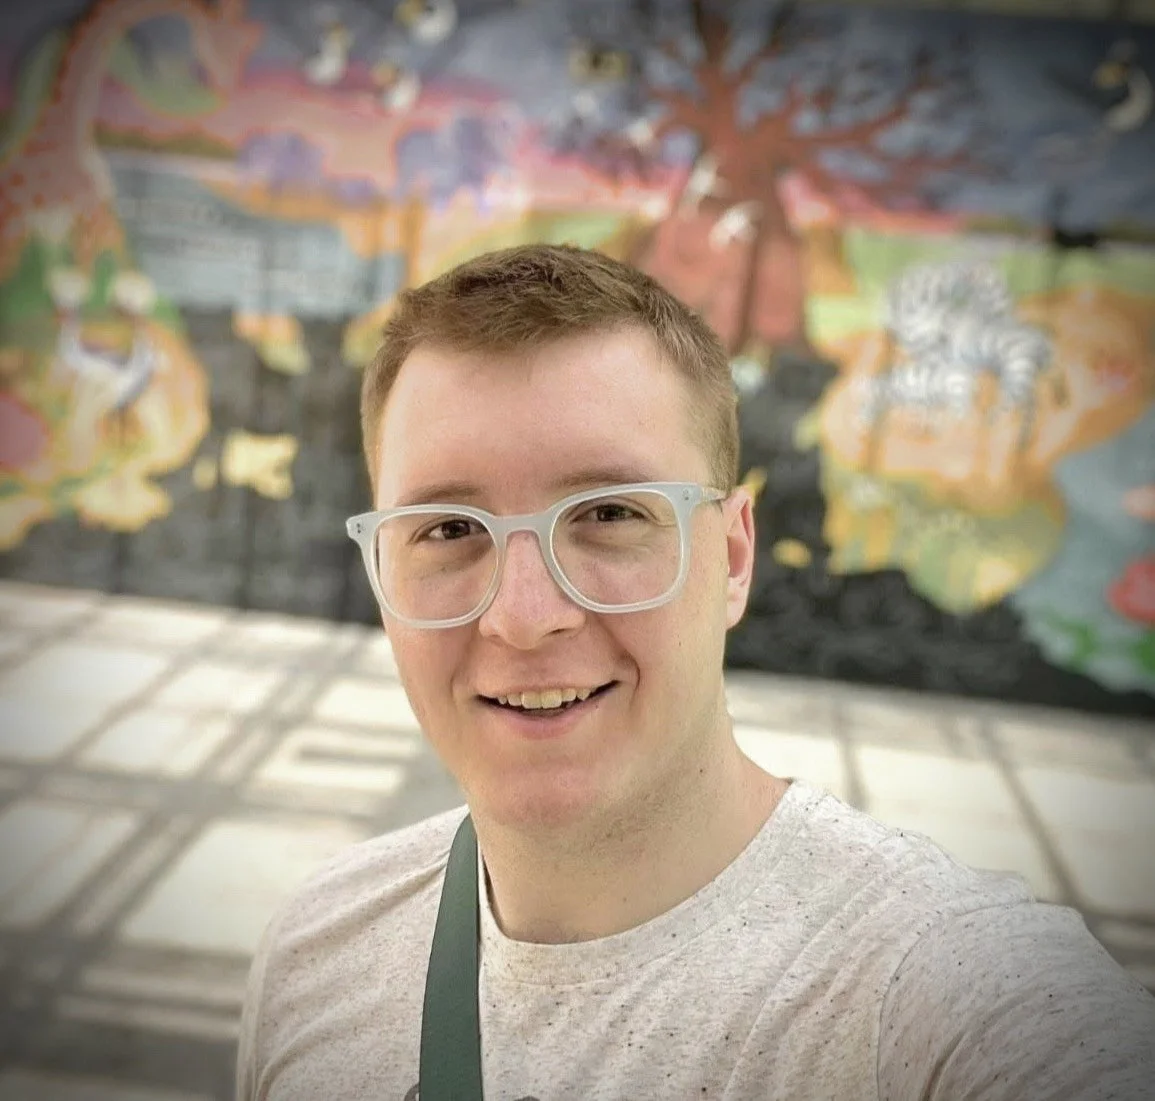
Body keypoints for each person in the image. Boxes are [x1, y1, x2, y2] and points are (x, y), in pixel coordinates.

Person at [236, 243, 1155, 1101]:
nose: (523, 615)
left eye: (606, 515)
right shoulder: (318, 955)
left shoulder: (946, 996)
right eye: (447, 530)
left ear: (733, 557)